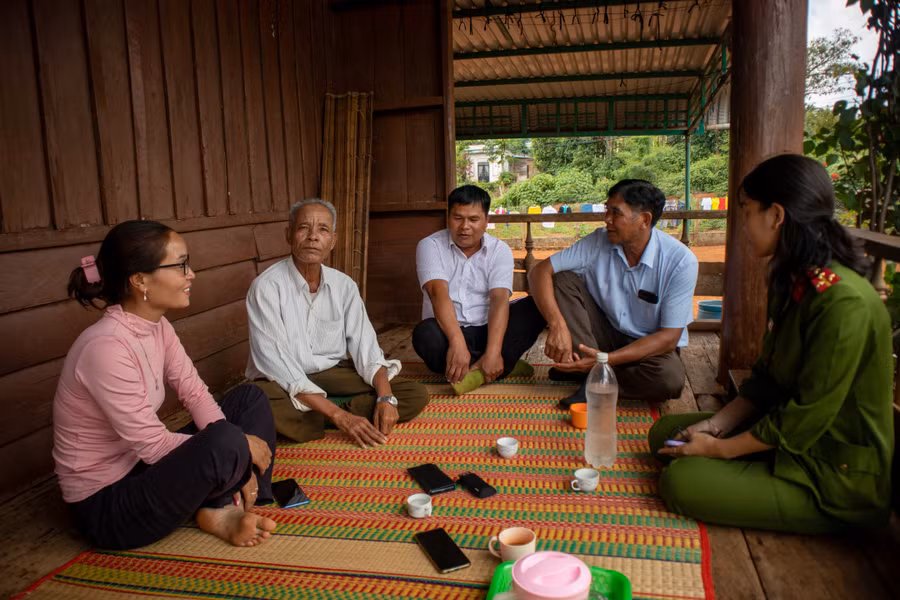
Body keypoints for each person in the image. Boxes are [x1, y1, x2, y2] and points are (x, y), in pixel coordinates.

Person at [651, 154, 893, 533]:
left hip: (831, 473)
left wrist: (720, 450)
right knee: (662, 435)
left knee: (681, 482)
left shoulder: (842, 301)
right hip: (783, 434)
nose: (742, 225)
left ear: (776, 215)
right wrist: (715, 426)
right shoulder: (796, 282)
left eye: (746, 211)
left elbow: (806, 416)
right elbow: (766, 379)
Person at [54, 221, 277, 551]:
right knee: (228, 439)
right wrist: (239, 450)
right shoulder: (105, 348)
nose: (192, 274)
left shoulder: (157, 328)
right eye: (181, 265)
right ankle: (224, 500)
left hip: (143, 466)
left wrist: (233, 451)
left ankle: (224, 501)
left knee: (250, 399)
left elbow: (195, 392)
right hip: (108, 506)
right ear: (140, 279)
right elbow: (154, 446)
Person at [247, 199, 429, 447]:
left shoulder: (344, 286)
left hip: (331, 375)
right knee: (256, 400)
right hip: (280, 382)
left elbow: (367, 350)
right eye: (303, 228)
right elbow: (279, 367)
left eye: (322, 229)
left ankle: (312, 417)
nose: (313, 237)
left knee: (412, 394)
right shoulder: (266, 288)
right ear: (289, 235)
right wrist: (340, 415)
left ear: (333, 241)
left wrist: (386, 398)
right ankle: (335, 413)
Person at [529, 179, 698, 406]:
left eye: (615, 213)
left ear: (645, 220)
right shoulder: (598, 241)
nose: (607, 219)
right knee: (562, 280)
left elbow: (668, 339)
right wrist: (557, 324)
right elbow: (540, 271)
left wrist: (605, 360)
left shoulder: (680, 261)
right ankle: (590, 370)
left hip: (649, 349)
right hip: (604, 335)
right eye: (607, 210)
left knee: (668, 379)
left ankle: (594, 379)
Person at [412, 185, 546, 395]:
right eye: (458, 218)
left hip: (489, 330)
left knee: (534, 307)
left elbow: (499, 299)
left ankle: (489, 363)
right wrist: (457, 343)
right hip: (448, 331)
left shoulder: (499, 249)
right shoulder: (430, 245)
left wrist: (493, 350)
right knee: (424, 334)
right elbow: (438, 294)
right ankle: (502, 367)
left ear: (486, 221)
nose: (465, 226)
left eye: (474, 219)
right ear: (448, 218)